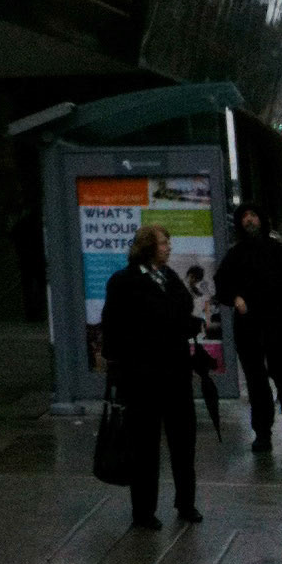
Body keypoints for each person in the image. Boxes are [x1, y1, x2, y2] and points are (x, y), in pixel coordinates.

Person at [100, 224, 203, 530]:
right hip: (142, 376)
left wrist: (189, 326)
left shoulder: (170, 277)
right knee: (144, 446)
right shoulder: (124, 281)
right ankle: (143, 511)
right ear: (147, 247)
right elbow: (113, 326)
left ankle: (186, 503)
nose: (169, 247)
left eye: (169, 242)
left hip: (175, 373)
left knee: (183, 442)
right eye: (163, 243)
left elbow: (182, 313)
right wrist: (118, 367)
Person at [213, 202, 282, 452]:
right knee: (256, 382)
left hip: (279, 325)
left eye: (253, 215)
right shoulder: (235, 255)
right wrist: (234, 298)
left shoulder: (279, 251)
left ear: (261, 219)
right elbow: (222, 284)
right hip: (249, 328)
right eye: (245, 217)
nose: (249, 220)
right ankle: (262, 431)